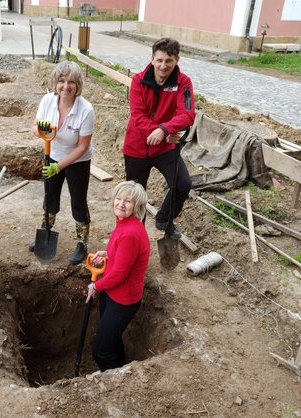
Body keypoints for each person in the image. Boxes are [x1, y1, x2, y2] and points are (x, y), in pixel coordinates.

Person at [123, 37, 195, 238]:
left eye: (169, 61)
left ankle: (164, 219)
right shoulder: (138, 81)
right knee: (136, 195)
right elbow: (138, 116)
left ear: (177, 60)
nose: (163, 66)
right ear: (152, 59)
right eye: (160, 60)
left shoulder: (183, 83)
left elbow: (188, 114)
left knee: (182, 184)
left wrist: (164, 130)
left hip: (165, 149)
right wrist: (164, 134)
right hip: (137, 147)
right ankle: (136, 235)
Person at [29, 60, 95, 265]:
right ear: (56, 82)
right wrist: (41, 131)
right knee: (49, 197)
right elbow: (34, 126)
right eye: (62, 81)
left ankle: (82, 244)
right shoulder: (48, 101)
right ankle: (45, 232)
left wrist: (60, 166)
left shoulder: (86, 110)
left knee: (78, 202)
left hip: (77, 160)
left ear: (78, 86)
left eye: (72, 82)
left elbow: (82, 146)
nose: (66, 86)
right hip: (52, 155)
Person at [86, 180, 150, 372]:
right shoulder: (124, 223)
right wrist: (107, 254)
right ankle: (121, 368)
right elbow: (123, 257)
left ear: (136, 206)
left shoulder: (131, 233)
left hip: (123, 300)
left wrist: (95, 286)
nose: (121, 204)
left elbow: (119, 275)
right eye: (118, 198)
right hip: (112, 293)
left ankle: (116, 380)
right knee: (111, 342)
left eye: (128, 201)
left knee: (100, 350)